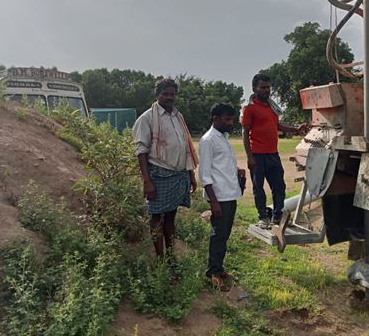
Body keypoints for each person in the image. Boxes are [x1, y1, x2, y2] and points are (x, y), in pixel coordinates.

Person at [132, 78, 198, 260]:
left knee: (171, 217)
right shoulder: (146, 118)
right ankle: (160, 258)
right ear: (157, 95)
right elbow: (141, 152)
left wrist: (190, 174)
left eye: (172, 94)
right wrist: (147, 181)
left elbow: (185, 147)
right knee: (156, 217)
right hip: (158, 175)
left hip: (178, 174)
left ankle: (170, 256)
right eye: (165, 94)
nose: (169, 97)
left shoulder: (178, 117)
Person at [241, 73, 310, 229]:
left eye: (268, 87)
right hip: (257, 155)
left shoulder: (272, 108)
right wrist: (249, 157)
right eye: (263, 87)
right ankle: (263, 218)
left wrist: (296, 129)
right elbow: (245, 133)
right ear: (254, 89)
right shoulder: (249, 108)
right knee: (259, 188)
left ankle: (277, 216)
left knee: (279, 186)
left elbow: (277, 126)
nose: (267, 90)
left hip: (273, 154)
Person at [198, 103, 244, 292]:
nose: (231, 123)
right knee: (218, 236)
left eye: (231, 119)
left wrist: (238, 171)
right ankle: (212, 273)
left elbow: (222, 166)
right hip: (219, 197)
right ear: (215, 119)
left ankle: (219, 268)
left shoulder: (223, 138)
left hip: (229, 194)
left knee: (224, 235)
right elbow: (205, 174)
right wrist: (214, 202)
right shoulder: (208, 140)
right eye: (227, 119)